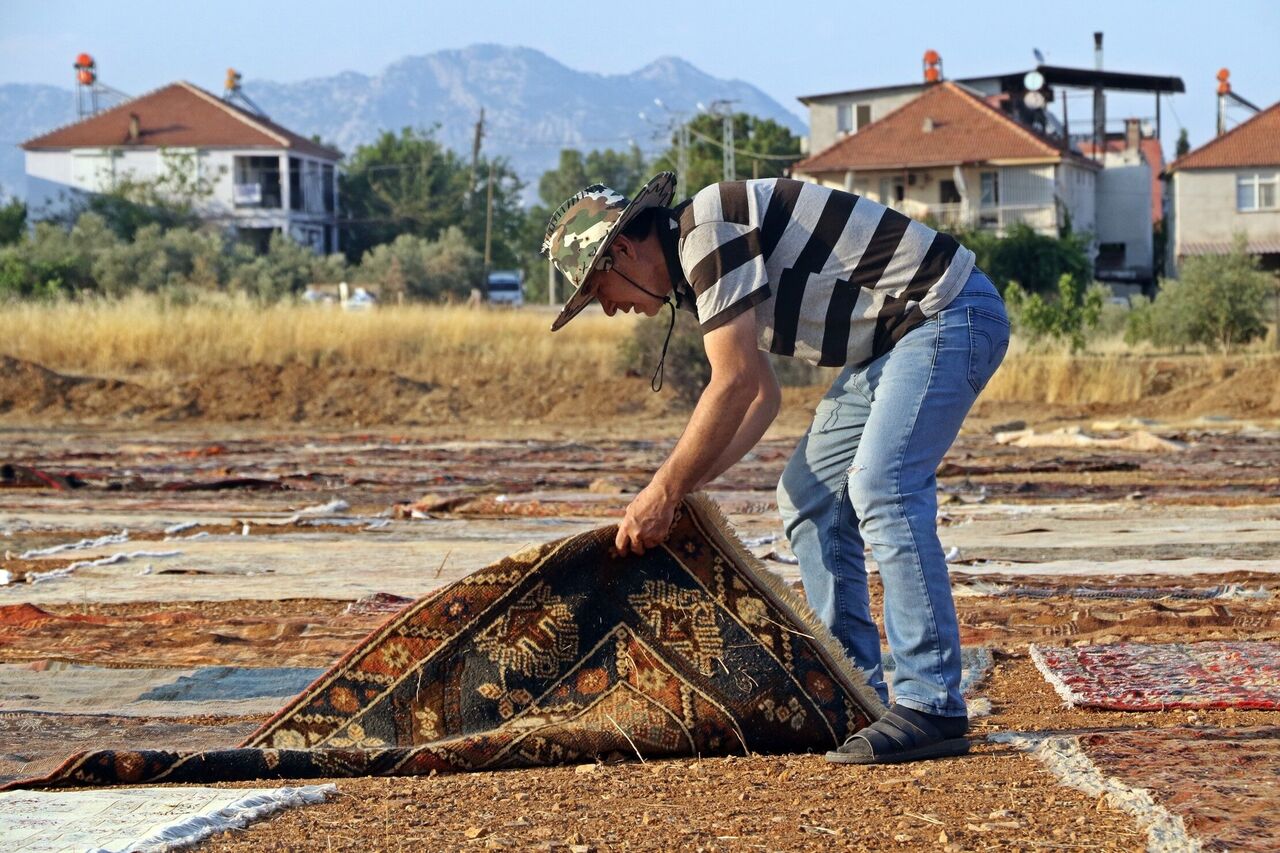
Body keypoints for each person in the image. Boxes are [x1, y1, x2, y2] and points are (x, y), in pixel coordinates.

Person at [542, 172, 1009, 765]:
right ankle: (854, 691)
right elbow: (762, 396)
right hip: (892, 345)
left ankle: (931, 703)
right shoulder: (698, 265)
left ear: (625, 250)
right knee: (809, 495)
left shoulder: (707, 231)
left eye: (597, 287)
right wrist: (680, 491)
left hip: (946, 314)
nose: (607, 308)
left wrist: (665, 488)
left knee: (881, 485)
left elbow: (734, 383)